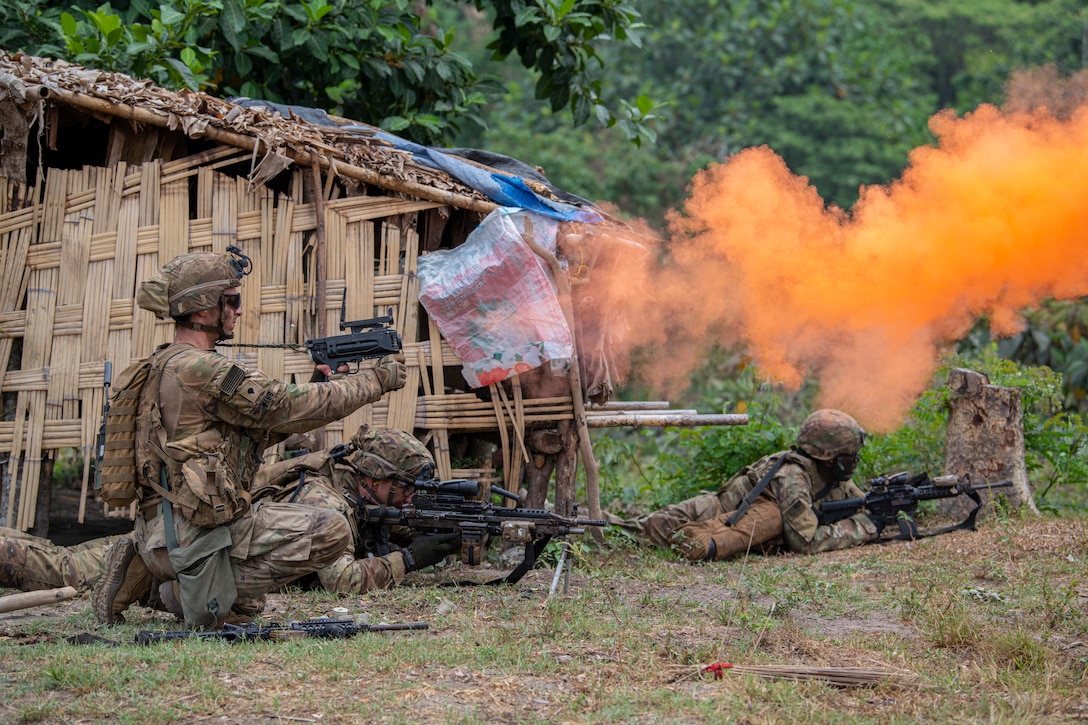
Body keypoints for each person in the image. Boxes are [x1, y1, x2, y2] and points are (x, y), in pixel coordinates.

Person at [92, 247, 408, 628]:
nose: (239, 311)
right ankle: (178, 591)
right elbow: (282, 405)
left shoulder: (163, 363)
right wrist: (375, 381)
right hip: (192, 537)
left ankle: (142, 573)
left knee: (249, 608)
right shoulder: (201, 368)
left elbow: (262, 427)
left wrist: (321, 384)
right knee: (333, 531)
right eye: (233, 301)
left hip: (162, 531)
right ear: (204, 308)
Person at [0, 427, 458, 608]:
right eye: (402, 487)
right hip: (181, 549)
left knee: (66, 565)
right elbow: (341, 580)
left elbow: (380, 523)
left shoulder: (348, 484)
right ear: (373, 476)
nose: (407, 497)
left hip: (196, 547)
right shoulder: (326, 502)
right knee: (65, 570)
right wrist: (410, 561)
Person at [638, 409, 885, 562]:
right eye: (847, 457)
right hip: (712, 512)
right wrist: (864, 528)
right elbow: (805, 542)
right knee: (643, 529)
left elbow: (860, 503)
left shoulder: (826, 474)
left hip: (727, 517)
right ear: (826, 456)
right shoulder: (793, 479)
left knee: (645, 528)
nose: (854, 462)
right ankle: (599, 526)